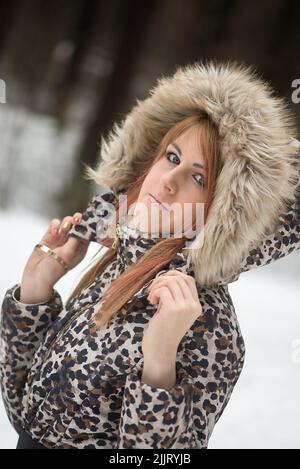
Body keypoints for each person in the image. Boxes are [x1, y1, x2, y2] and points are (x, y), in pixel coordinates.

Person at [0, 60, 299, 449]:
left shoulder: (211, 329)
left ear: (226, 212)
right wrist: (35, 294)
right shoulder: (121, 264)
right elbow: (27, 416)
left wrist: (159, 365)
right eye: (171, 157)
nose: (170, 180)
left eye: (199, 177)